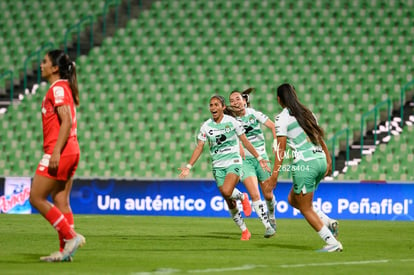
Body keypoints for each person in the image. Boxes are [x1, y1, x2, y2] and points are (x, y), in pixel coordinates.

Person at [178, 95, 270, 240]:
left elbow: (245, 141)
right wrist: (188, 166)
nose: (213, 108)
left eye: (216, 105)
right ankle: (245, 230)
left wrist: (259, 158)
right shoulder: (206, 126)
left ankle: (242, 196)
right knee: (228, 199)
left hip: (233, 161)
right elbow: (199, 147)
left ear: (223, 107)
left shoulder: (232, 122)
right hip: (217, 165)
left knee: (227, 191)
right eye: (211, 105)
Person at [263, 83, 342, 252]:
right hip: (319, 159)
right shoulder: (308, 113)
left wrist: (274, 176)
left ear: (279, 99)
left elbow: (281, 149)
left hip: (306, 163)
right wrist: (328, 159)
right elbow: (318, 137)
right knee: (293, 200)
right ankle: (328, 221)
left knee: (305, 207)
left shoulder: (281, 118)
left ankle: (332, 243)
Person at [29, 49, 85, 262]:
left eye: (44, 62)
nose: (41, 65)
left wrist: (55, 152)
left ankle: (71, 237)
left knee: (36, 197)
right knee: (61, 199)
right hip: (71, 151)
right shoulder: (63, 87)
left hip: (61, 151)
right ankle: (65, 253)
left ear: (54, 68)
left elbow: (67, 121)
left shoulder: (58, 88)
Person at [229, 88, 277, 238]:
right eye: (232, 101)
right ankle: (268, 226)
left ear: (244, 101)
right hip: (245, 162)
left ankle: (272, 215)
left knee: (267, 194)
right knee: (255, 194)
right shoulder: (230, 121)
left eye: (237, 99)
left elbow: (273, 126)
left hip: (261, 158)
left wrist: (276, 141)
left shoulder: (253, 114)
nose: (235, 102)